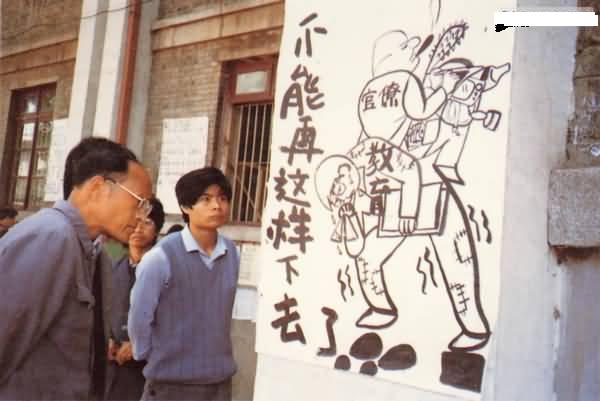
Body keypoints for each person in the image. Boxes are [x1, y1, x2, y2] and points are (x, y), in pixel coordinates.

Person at [0, 137, 153, 400]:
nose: (142, 216)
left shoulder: (94, 251)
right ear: (98, 187)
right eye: (140, 202)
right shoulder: (50, 237)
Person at [129, 167, 239, 401]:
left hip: (219, 383)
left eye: (222, 198)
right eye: (205, 199)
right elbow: (139, 318)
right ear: (186, 207)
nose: (217, 206)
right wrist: (158, 357)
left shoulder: (231, 252)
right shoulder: (161, 257)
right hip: (171, 385)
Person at [105, 197, 165, 401]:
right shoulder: (111, 263)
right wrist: (105, 338)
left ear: (157, 230)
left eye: (147, 223)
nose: (138, 229)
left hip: (147, 367)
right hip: (111, 363)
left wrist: (138, 344)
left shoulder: (164, 267)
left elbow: (172, 318)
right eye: (135, 222)